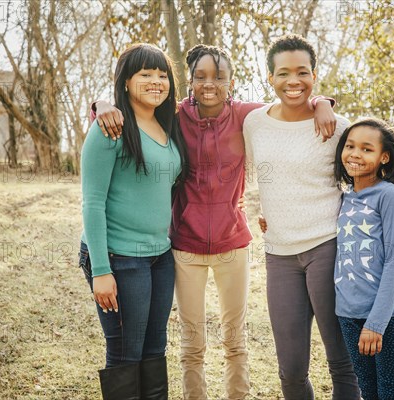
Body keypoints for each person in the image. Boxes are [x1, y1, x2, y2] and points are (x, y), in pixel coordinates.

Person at [91, 44, 339, 400]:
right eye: (202, 77)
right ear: (189, 81)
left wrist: (323, 102)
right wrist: (100, 104)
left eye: (219, 77)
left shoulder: (246, 116)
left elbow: (289, 105)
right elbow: (126, 111)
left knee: (235, 340)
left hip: (232, 245)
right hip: (184, 246)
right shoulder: (172, 115)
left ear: (231, 82)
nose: (210, 84)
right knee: (192, 343)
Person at [243, 34, 361, 399]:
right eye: (283, 73)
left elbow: (365, 170)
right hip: (278, 253)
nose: (293, 81)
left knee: (342, 360)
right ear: (269, 78)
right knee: (291, 369)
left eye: (302, 72)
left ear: (314, 75)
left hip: (329, 247)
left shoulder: (338, 125)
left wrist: (323, 103)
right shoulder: (254, 123)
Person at [78, 43, 188, 400]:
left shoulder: (165, 124)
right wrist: (100, 270)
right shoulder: (110, 128)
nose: (156, 81)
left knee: (155, 351)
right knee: (126, 353)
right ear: (125, 82)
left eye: (162, 75)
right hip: (119, 259)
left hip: (160, 256)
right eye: (145, 74)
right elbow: (92, 203)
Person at [333, 118, 394, 400]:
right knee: (368, 391)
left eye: (367, 149)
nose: (355, 154)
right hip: (348, 313)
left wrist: (375, 324)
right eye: (350, 146)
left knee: (390, 391)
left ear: (384, 157)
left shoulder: (389, 196)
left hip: (387, 316)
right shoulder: (342, 197)